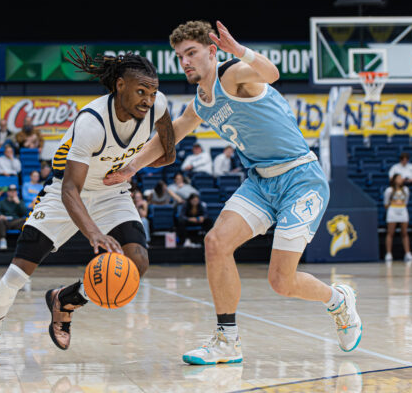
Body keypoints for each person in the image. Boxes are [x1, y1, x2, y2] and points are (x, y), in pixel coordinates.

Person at [106, 20, 361, 364]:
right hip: (260, 182)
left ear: (212, 51)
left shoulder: (233, 74)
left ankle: (338, 300)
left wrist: (239, 50)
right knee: (215, 243)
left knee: (281, 282)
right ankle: (227, 341)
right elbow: (172, 135)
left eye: (192, 52)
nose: (185, 61)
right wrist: (129, 168)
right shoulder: (202, 100)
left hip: (300, 179)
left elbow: (271, 73)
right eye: (180, 56)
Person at [0, 49, 175, 364]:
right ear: (119, 86)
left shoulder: (158, 107)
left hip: (110, 190)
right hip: (64, 194)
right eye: (141, 91)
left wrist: (134, 167)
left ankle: (66, 300)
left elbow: (169, 154)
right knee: (18, 272)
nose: (148, 99)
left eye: (153, 92)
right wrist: (93, 233)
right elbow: (69, 189)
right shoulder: (91, 122)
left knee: (137, 262)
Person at [384, 174, 412, 263]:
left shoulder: (406, 190)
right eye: (398, 178)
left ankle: (407, 253)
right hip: (393, 210)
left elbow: (406, 201)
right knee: (390, 233)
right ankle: (388, 253)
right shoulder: (389, 190)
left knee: (404, 233)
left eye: (401, 178)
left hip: (403, 210)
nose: (401, 179)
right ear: (394, 179)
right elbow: (385, 203)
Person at [0, 184, 27, 250]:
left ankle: (25, 243)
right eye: (11, 191)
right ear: (7, 192)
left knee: (25, 220)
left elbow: (25, 213)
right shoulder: (2, 202)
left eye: (14, 191)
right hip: (5, 221)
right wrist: (0, 215)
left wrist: (18, 203)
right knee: (0, 220)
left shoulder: (20, 202)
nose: (13, 193)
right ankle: (2, 240)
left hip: (16, 222)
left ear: (16, 192)